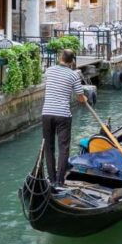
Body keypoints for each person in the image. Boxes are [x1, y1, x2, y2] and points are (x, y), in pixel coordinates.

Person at [42, 49, 87, 187]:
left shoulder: (49, 71)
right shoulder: (74, 75)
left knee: (49, 148)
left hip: (47, 113)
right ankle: (60, 181)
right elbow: (80, 98)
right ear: (72, 61)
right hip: (62, 115)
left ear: (60, 57)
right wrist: (84, 98)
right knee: (63, 148)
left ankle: (52, 179)